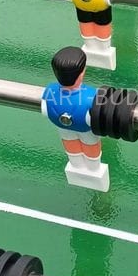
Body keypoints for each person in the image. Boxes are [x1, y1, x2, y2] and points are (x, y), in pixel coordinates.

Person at [41, 46, 109, 191]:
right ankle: (93, 168)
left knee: (70, 143)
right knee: (90, 145)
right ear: (82, 73)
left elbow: (45, 110)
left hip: (63, 129)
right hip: (86, 130)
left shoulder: (50, 91)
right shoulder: (92, 95)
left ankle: (76, 165)